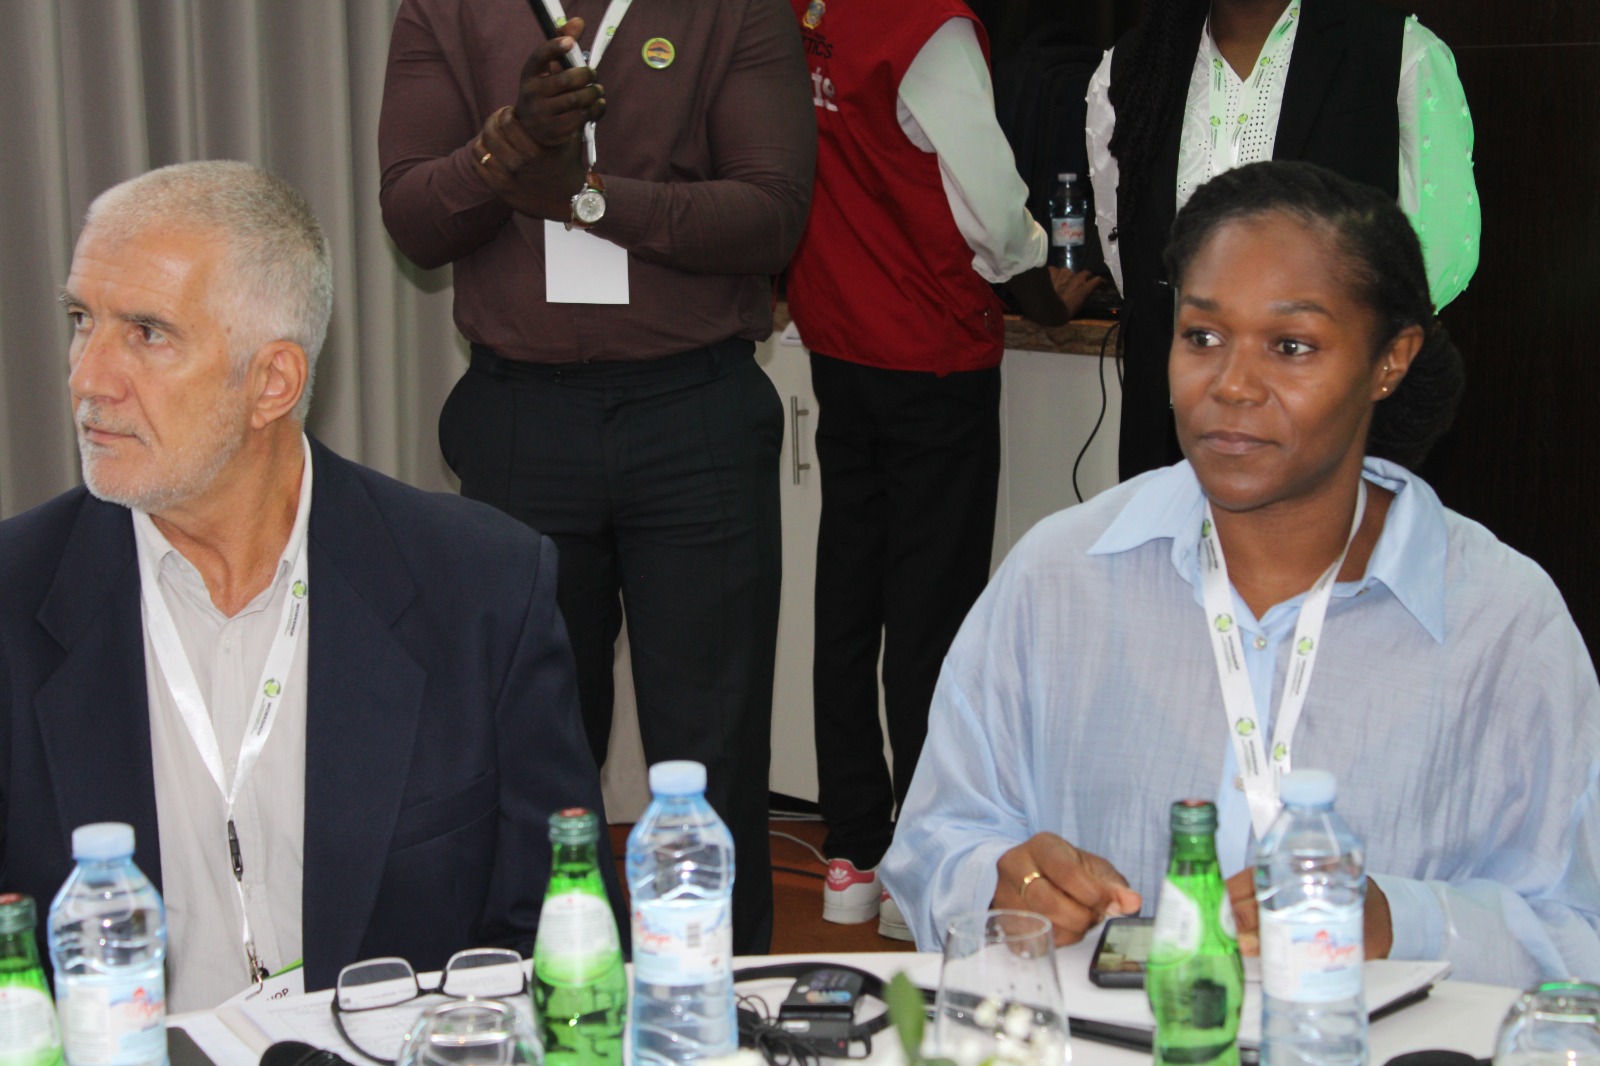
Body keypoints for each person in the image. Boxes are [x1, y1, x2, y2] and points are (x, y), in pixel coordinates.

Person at [881, 161, 1600, 986]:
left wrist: (1395, 921)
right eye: (1202, 337)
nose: (1231, 385)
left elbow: (1580, 931)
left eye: (1291, 347)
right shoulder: (1060, 577)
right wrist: (1001, 883)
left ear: (1390, 360)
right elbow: (934, 843)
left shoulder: (1502, 622)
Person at [0, 161, 615, 1011]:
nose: (87, 378)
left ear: (272, 382)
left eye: (146, 333)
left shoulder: (482, 591)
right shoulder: (14, 599)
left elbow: (563, 936)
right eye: (82, 320)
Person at [378, 0, 816, 955]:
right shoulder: (448, 9)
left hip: (694, 415)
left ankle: (716, 1007)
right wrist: (508, 146)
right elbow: (413, 216)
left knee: (712, 759)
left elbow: (772, 216)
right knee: (528, 758)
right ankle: (556, 1001)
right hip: (519, 419)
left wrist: (584, 195)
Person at [784, 0, 1100, 939]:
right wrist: (1045, 287)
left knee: (848, 601)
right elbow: (992, 206)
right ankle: (920, 866)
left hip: (841, 340)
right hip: (930, 351)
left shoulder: (807, 14)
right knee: (932, 618)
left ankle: (853, 853)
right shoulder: (929, 26)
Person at [1087, 0, 1480, 480]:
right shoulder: (1131, 67)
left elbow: (1440, 256)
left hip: (1331, 423)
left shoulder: (1397, 50)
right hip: (1174, 433)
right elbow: (1129, 257)